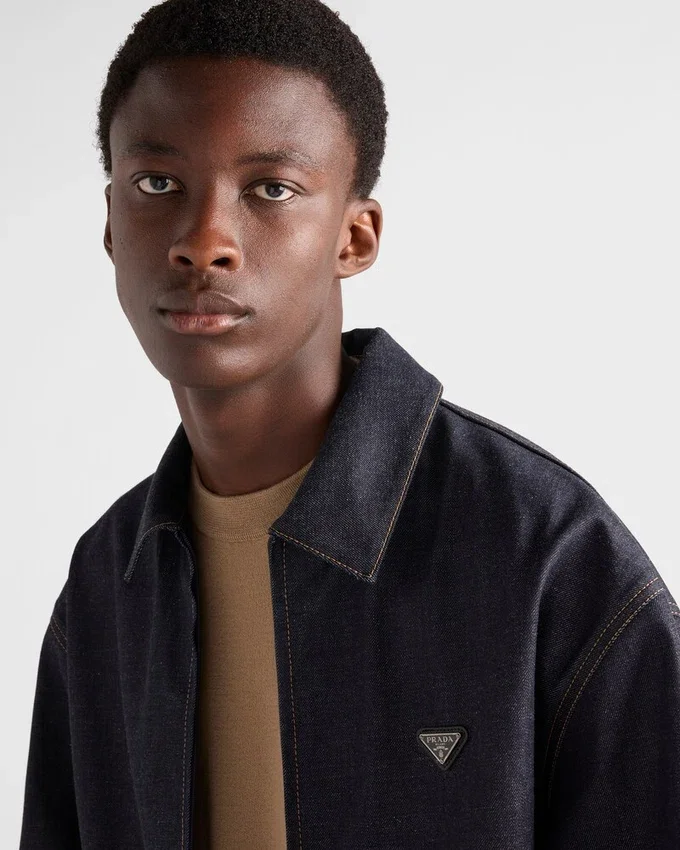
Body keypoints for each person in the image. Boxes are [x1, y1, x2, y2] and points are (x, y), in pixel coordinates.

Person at [19, 0, 680, 847]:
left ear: (355, 238)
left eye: (271, 189)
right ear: (112, 224)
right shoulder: (108, 587)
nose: (204, 240)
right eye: (158, 185)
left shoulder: (543, 550)